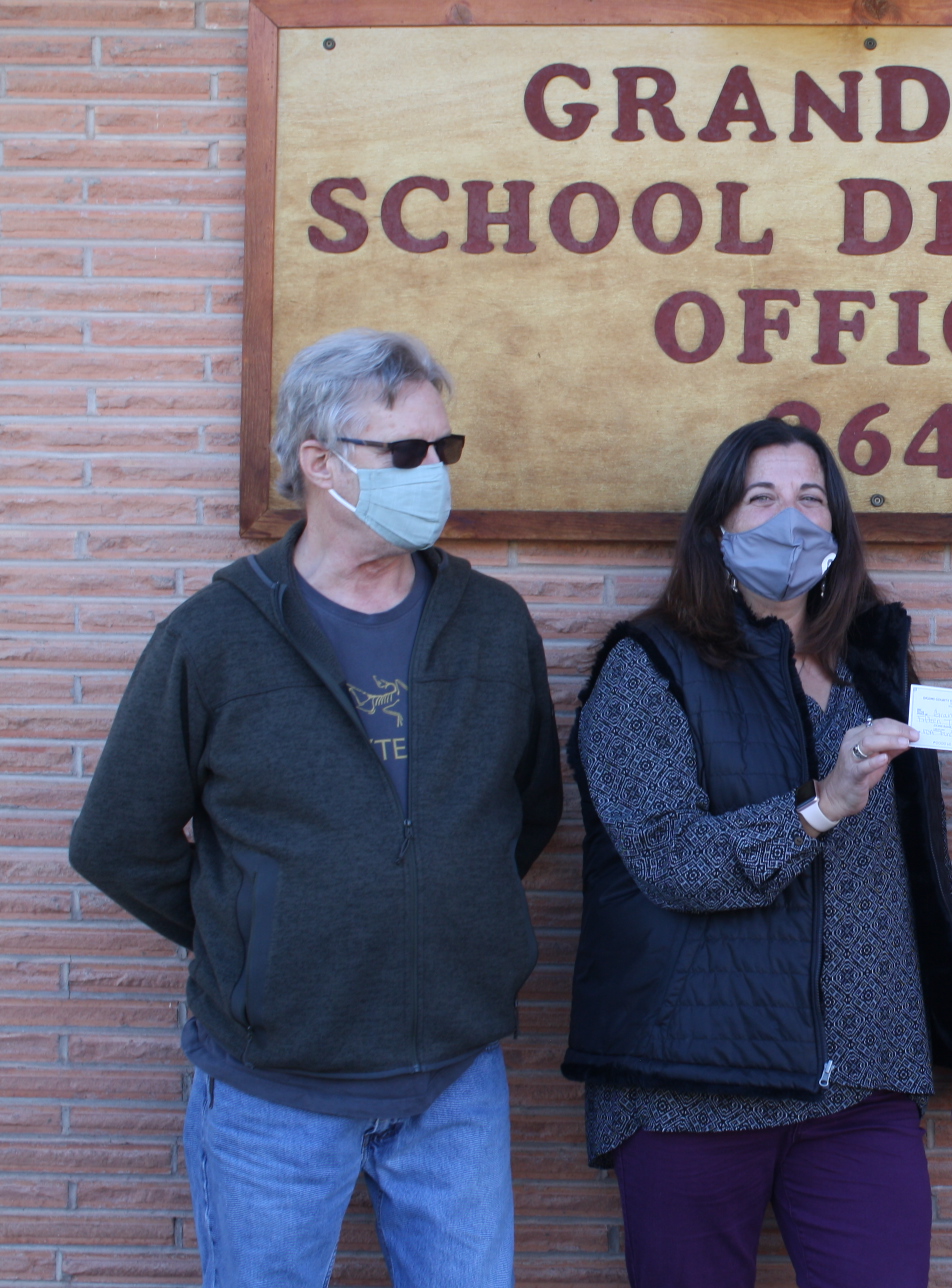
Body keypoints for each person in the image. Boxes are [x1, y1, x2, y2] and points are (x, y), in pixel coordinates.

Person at [68, 330, 562, 1288]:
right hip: (273, 1094)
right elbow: (118, 840)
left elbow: (527, 809)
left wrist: (432, 903)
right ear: (320, 462)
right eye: (407, 452)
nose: (433, 472)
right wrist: (263, 935)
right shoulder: (212, 638)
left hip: (454, 1079)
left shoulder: (494, 625)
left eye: (443, 450)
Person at [564, 417, 952, 1288]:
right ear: (716, 529)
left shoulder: (873, 673)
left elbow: (915, 876)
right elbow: (670, 861)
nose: (790, 519)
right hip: (692, 1079)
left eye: (811, 498)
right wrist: (818, 807)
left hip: (865, 1081)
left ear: (838, 529)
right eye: (760, 498)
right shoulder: (647, 666)